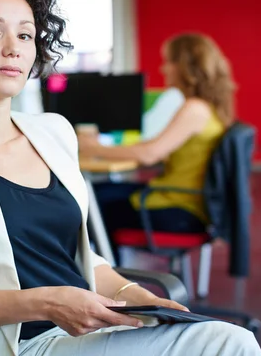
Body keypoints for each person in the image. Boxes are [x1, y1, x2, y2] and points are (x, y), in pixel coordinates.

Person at [0, 0, 261, 356]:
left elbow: (79, 257)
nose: (13, 47)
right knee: (230, 343)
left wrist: (138, 295)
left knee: (224, 339)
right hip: (22, 342)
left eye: (25, 34)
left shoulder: (53, 131)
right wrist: (44, 304)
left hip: (91, 330)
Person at [79, 34, 236, 256]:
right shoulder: (208, 108)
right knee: (98, 192)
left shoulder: (194, 109)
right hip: (184, 201)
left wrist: (92, 148)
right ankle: (108, 270)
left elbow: (150, 154)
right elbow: (157, 148)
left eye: (169, 62)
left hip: (180, 211)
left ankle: (109, 276)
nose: (164, 69)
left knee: (90, 205)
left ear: (184, 67)